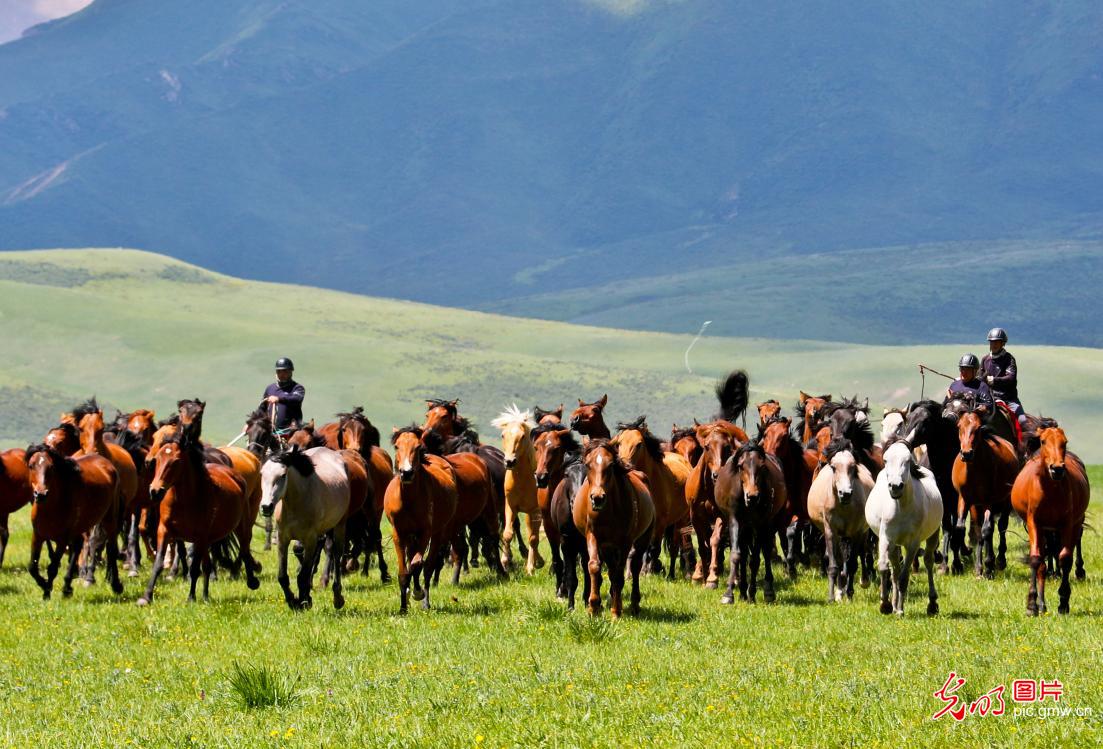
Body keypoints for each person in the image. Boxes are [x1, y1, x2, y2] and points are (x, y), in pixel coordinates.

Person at [981, 327, 1026, 426]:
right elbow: (980, 377)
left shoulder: (1009, 359)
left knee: (1023, 421)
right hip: (990, 398)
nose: (994, 344)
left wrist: (994, 380)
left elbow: (1011, 378)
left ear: (1003, 343)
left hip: (1008, 399)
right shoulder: (985, 359)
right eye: (992, 342)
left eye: (997, 342)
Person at [260, 357, 305, 431]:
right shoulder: (270, 388)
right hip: (271, 431)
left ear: (291, 372)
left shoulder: (298, 388)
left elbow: (296, 399)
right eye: (279, 371)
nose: (281, 374)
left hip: (291, 431)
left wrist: (278, 399)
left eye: (285, 371)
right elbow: (261, 409)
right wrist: (249, 424)